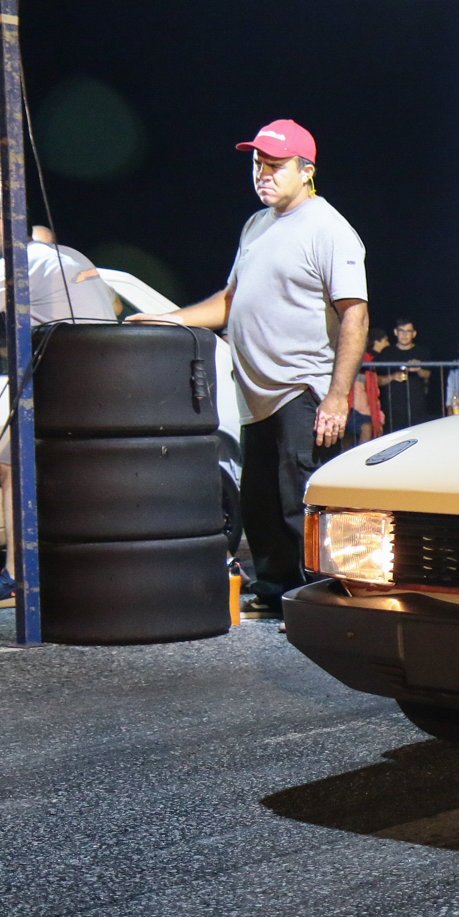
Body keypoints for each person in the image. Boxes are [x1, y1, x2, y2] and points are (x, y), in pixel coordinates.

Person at [125, 119, 368, 613]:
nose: (262, 174)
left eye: (275, 166)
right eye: (257, 164)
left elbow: (355, 314)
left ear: (306, 170)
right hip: (255, 394)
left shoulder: (329, 228)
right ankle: (277, 592)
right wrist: (169, 318)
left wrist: (337, 396)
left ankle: (319, 601)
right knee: (259, 502)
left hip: (302, 389)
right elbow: (230, 300)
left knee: (300, 502)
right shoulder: (256, 225)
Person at [0, 200, 120, 608]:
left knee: (14, 465)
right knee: (47, 472)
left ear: (16, 221)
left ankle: (18, 578)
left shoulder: (21, 260)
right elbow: (116, 306)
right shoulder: (67, 256)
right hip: (104, 381)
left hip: (64, 381)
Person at [373, 319, 430, 432]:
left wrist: (418, 369)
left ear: (414, 334)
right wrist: (392, 377)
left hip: (417, 408)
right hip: (391, 409)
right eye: (401, 331)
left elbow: (428, 374)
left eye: (408, 331)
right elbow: (376, 380)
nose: (404, 334)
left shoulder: (422, 351)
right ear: (395, 332)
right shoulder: (386, 352)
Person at [347, 328, 389, 443]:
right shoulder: (343, 360)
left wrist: (378, 416)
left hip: (365, 411)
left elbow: (373, 391)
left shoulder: (368, 360)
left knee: (372, 429)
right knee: (365, 428)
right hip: (347, 408)